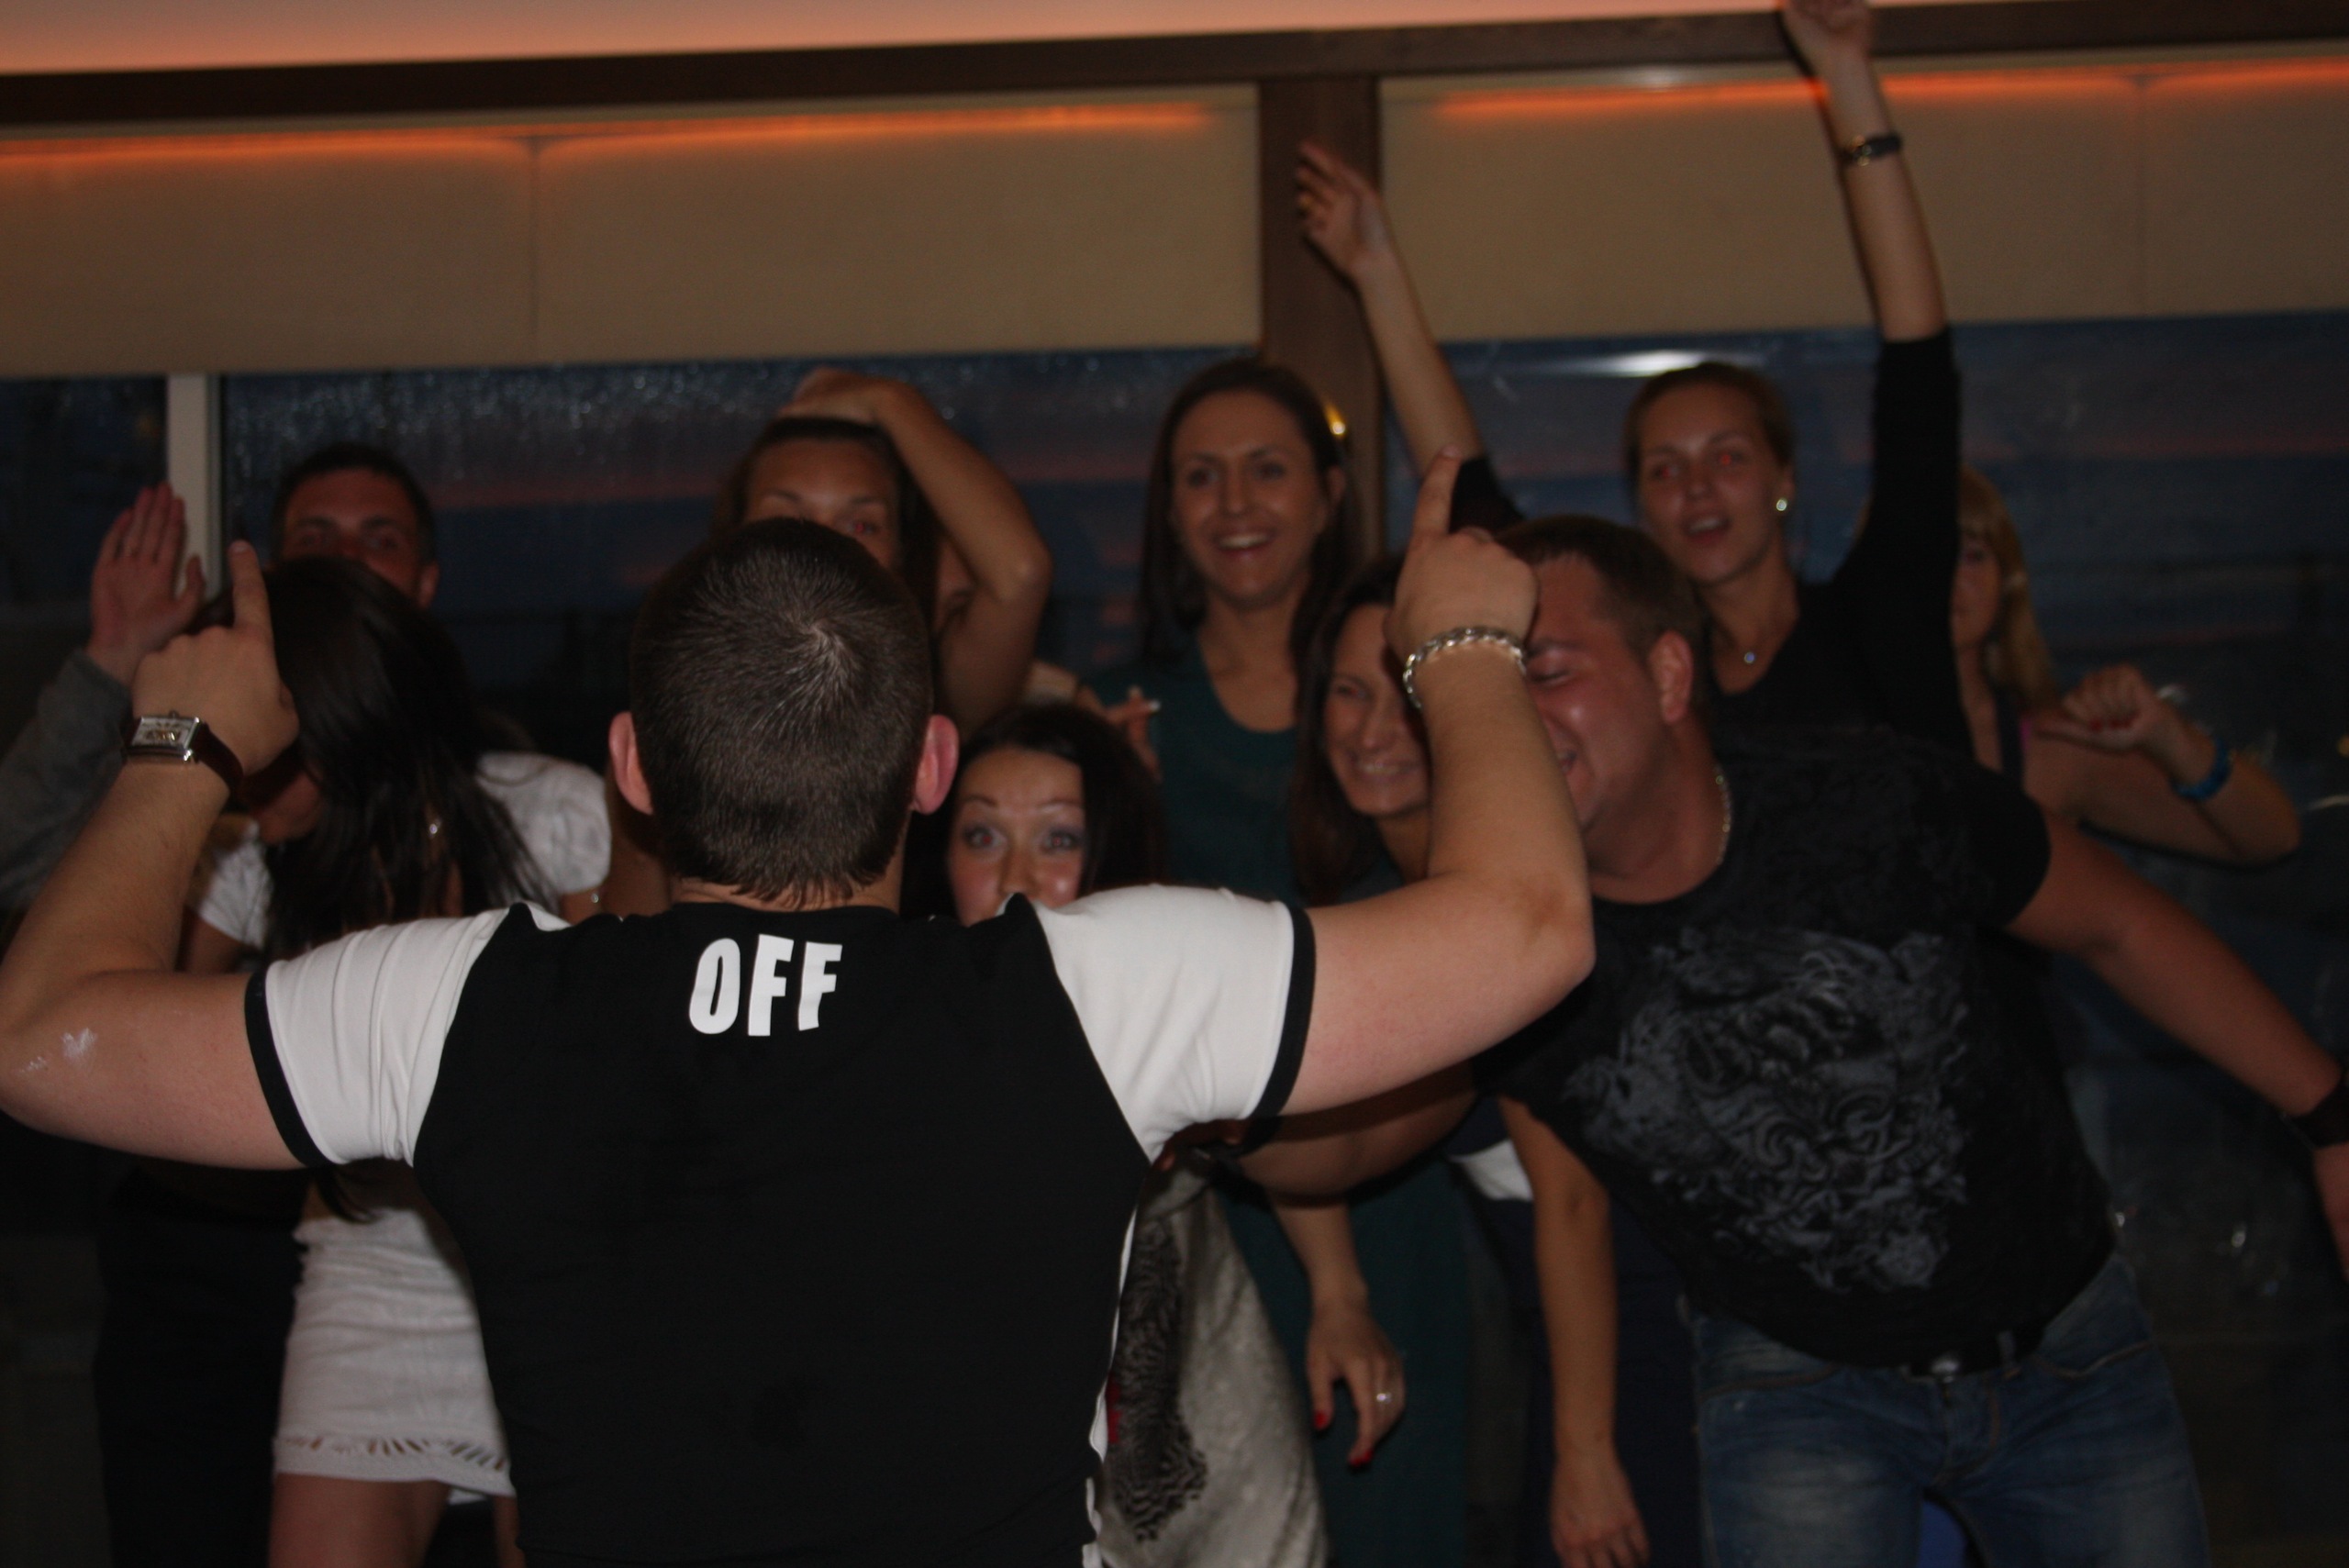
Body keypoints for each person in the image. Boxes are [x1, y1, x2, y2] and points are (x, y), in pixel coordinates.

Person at [0, 455, 1595, 1566]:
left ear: (633, 770)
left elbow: (43, 1037)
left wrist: (184, 743)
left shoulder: (457, 1002)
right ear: (929, 769)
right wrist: (1463, 645)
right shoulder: (1094, 991)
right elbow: (1527, 928)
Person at [1482, 514, 2349, 1566]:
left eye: (1545, 670)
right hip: (1794, 1378)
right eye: (1486, 689)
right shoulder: (1496, 948)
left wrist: (2330, 1117)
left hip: (2063, 1341)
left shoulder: (1870, 800)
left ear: (1667, 674)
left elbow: (2116, 925)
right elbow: (1363, 1114)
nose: (1511, 714)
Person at [0, 443, 459, 1568]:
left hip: (418, 1258)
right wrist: (132, 686)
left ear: (425, 580)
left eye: (377, 540)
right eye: (313, 540)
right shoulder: (211, 782)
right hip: (202, 1251)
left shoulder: (490, 787)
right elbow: (45, 937)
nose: (344, 560)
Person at [1299, 0, 1965, 756]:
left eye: (1727, 457)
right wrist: (1375, 272)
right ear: (1641, 506)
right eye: (1665, 469)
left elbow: (1920, 367)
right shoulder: (1644, 677)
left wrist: (1847, 75)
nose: (1698, 488)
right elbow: (1469, 490)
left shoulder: (1881, 614)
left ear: (1783, 476)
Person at [1090, 359, 1469, 1567]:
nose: (1235, 502)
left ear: (1329, 492)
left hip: (1397, 1182)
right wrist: (1116, 815)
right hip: (1206, 1215)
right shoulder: (1128, 724)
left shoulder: (1385, 704)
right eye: (1200, 476)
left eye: (1267, 469)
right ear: (1167, 509)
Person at [173, 558, 607, 1568]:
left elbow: (625, 1071)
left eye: (249, 740)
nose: (234, 769)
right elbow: (128, 1037)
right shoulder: (248, 854)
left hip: (556, 1266)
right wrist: (170, 763)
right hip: (370, 1258)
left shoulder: (555, 813)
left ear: (337, 726)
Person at [1290, 556, 1700, 1568]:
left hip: (1651, 1331)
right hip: (1561, 1329)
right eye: (1347, 691)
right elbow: (1303, 1097)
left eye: (1405, 695)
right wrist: (1338, 1291)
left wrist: (1587, 1451)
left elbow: (1574, 1200)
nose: (1373, 728)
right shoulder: (1375, 899)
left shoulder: (1502, 898)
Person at [942, 701, 1333, 1568]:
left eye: (1058, 839)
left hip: (1201, 1383)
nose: (1014, 875)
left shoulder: (1178, 991)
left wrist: (1341, 1295)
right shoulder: (903, 1036)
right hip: (1008, 1441)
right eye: (980, 835)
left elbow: (1305, 1137)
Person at [601, 368, 1057, 918]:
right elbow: (634, 940)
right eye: (787, 516)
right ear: (732, 539)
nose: (820, 540)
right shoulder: (680, 712)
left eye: (861, 525)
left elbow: (1020, 575)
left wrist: (889, 401)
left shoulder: (934, 684)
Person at [1950, 467, 2300, 862]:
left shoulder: (2051, 748)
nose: (1945, 576)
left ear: (2006, 584)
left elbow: (2273, 837)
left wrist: (2170, 738)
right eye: (1918, 553)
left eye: (1970, 556)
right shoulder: (1880, 741)